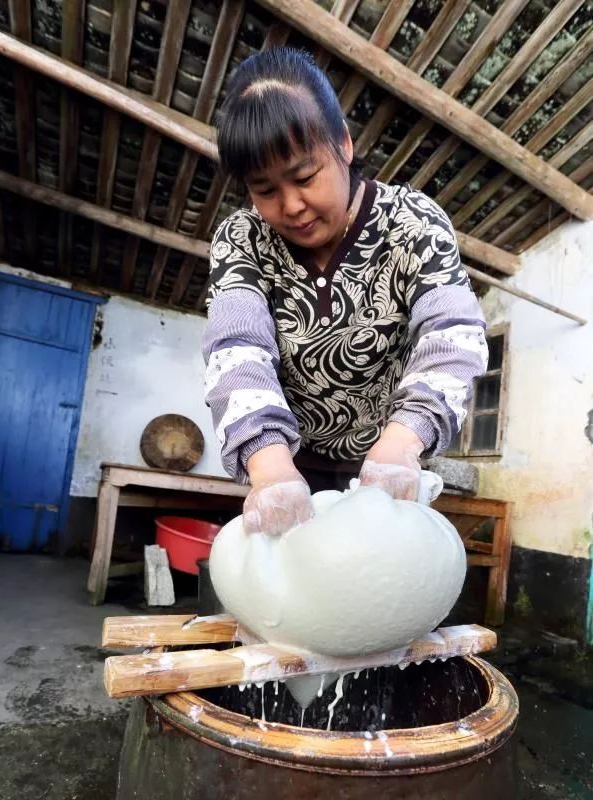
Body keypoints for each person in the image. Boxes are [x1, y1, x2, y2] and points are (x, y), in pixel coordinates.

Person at [202, 48, 488, 536]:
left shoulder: (413, 222)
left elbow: (453, 335)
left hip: (391, 463)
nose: (292, 205)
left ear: (344, 144)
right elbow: (237, 348)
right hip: (288, 466)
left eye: (304, 176)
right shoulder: (241, 239)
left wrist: (402, 443)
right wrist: (269, 469)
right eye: (265, 189)